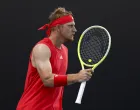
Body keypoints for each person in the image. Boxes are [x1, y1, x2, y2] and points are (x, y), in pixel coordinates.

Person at [16, 7, 93, 110]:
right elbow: (48, 80)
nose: (75, 30)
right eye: (70, 26)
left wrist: (78, 77)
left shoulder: (64, 50)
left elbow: (59, 82)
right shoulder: (42, 48)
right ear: (58, 28)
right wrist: (77, 77)